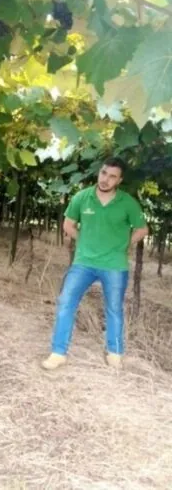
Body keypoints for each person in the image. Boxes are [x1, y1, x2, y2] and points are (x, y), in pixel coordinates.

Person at [42, 157, 148, 371]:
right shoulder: (82, 197)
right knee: (65, 302)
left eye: (112, 176)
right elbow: (68, 224)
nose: (106, 179)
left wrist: (124, 244)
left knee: (114, 309)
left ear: (119, 180)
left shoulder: (127, 202)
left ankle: (115, 354)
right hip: (84, 262)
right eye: (103, 173)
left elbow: (142, 229)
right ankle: (58, 352)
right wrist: (83, 240)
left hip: (114, 265)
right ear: (99, 173)